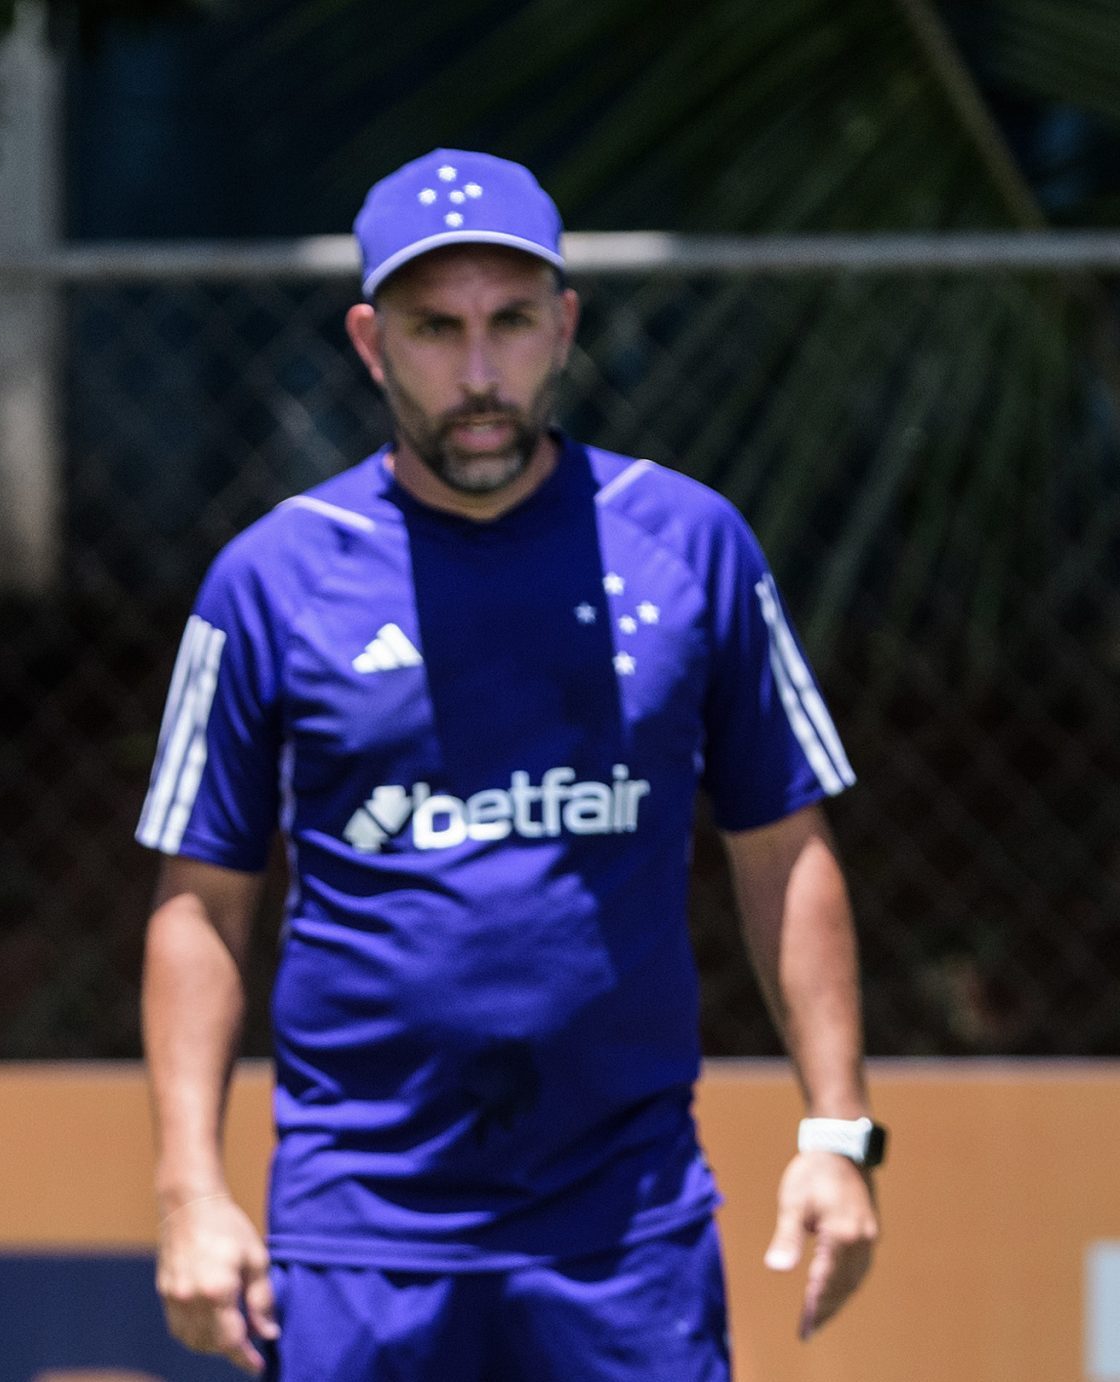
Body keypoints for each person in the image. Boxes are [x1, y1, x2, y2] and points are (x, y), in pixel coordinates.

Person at [136, 149, 882, 1379]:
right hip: (358, 1237)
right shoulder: (267, 580)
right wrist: (187, 1192)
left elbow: (783, 841)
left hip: (625, 1233)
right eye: (436, 329)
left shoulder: (689, 542)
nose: (478, 373)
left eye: (511, 323)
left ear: (565, 324)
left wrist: (838, 1133)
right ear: (371, 343)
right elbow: (199, 904)